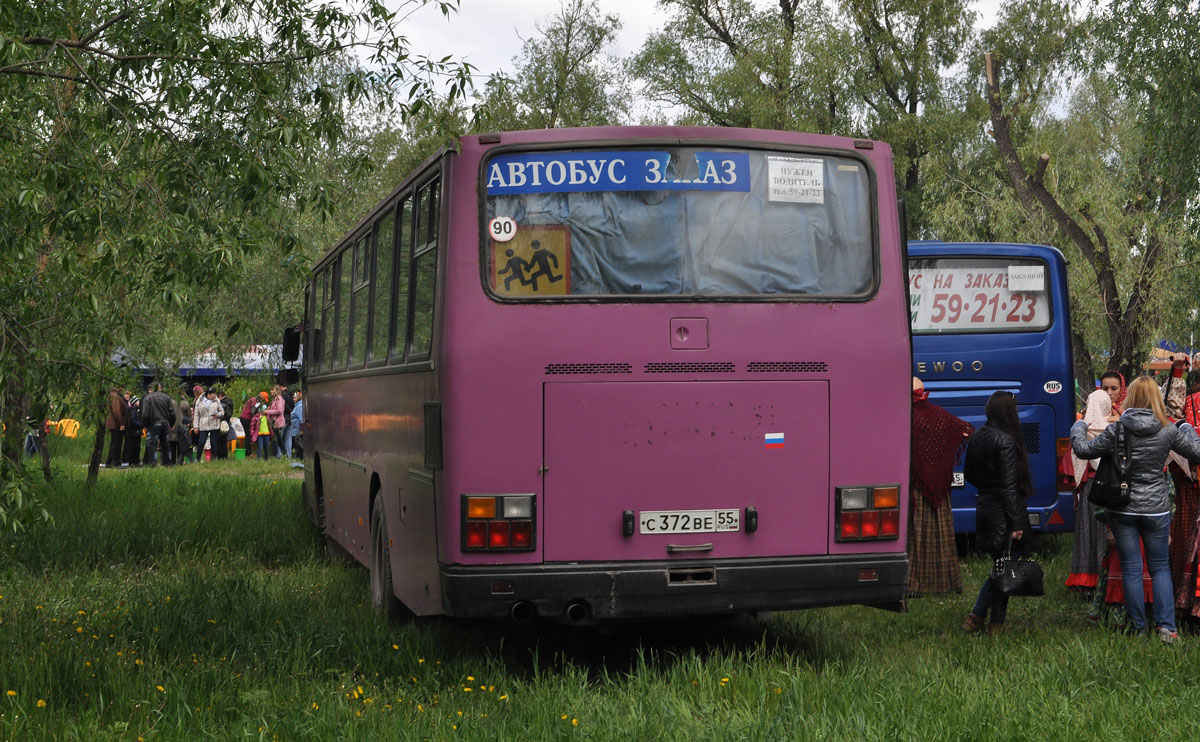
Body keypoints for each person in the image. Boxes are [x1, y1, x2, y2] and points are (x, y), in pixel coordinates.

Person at [1071, 376, 1200, 643]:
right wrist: (1186, 427)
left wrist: (1079, 425)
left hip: (1124, 507)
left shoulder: (1117, 430)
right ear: (1155, 397)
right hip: (1156, 508)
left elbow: (1083, 450)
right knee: (1160, 568)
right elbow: (1196, 452)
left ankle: (1138, 628)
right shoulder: (1167, 429)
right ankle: (1167, 628)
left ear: (1129, 397)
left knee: (1131, 568)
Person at [962, 391, 1033, 634]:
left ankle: (991, 621)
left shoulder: (978, 435)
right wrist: (1016, 524)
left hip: (985, 507)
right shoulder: (1006, 440)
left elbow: (969, 473)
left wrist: (987, 488)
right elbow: (1009, 487)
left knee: (1002, 566)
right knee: (1003, 568)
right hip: (1004, 512)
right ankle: (982, 618)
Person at [908, 377, 973, 596]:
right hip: (940, 489)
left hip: (916, 487)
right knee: (942, 533)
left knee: (917, 535)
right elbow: (965, 430)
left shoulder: (905, 418)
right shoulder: (941, 416)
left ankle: (916, 584)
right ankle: (946, 582)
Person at [1065, 386, 1120, 591]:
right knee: (1107, 532)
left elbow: (1071, 462)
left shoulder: (1081, 429)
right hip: (1111, 488)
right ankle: (1107, 575)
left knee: (1087, 532)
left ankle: (1085, 577)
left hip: (1089, 490)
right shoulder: (1115, 429)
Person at [140, 382, 175, 467]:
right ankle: (168, 463)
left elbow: (145, 414)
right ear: (160, 388)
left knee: (152, 444)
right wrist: (172, 423)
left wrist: (144, 425)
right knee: (166, 444)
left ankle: (153, 463)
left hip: (154, 422)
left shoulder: (148, 398)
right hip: (165, 423)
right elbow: (172, 412)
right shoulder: (166, 397)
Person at [193, 388, 223, 462]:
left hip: (214, 424)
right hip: (203, 424)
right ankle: (198, 458)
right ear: (208, 394)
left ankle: (214, 459)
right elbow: (196, 414)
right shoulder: (199, 401)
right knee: (201, 442)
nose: (215, 396)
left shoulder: (216, 400)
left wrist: (218, 415)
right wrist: (195, 426)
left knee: (213, 443)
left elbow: (222, 411)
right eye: (213, 394)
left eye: (215, 394)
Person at [103, 387, 128, 468]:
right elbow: (116, 411)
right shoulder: (115, 397)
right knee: (116, 443)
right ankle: (115, 462)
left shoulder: (112, 396)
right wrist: (121, 423)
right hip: (116, 424)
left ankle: (111, 461)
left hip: (114, 423)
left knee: (114, 442)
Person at [123, 393, 143, 467]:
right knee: (134, 447)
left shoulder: (136, 410)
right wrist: (140, 424)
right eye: (138, 401)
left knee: (137, 447)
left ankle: (136, 461)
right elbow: (132, 420)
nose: (139, 402)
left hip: (136, 431)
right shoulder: (132, 410)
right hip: (134, 431)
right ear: (135, 402)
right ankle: (133, 461)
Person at [268, 386, 287, 459]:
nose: (271, 392)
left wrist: (268, 412)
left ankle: (276, 455)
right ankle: (284, 454)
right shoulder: (274, 400)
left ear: (277, 391)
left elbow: (279, 411)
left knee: (275, 439)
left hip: (278, 422)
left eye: (273, 390)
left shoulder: (279, 399)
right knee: (278, 439)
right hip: (274, 422)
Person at [289, 390, 304, 460]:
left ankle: (299, 458)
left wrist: (301, 430)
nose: (293, 399)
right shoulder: (296, 406)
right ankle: (297, 457)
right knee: (296, 444)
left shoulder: (300, 406)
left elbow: (301, 419)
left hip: (298, 430)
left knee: (299, 444)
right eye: (293, 398)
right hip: (295, 429)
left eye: (295, 398)